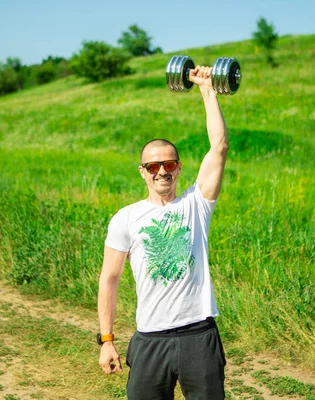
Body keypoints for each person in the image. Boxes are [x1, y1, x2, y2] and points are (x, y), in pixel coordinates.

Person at [97, 64, 229, 400]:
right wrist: (107, 341)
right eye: (153, 166)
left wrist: (207, 89)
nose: (162, 172)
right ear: (142, 172)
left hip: (199, 337)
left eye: (169, 164)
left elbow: (219, 148)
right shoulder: (126, 218)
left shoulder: (196, 204)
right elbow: (109, 280)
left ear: (179, 167)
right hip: (150, 339)